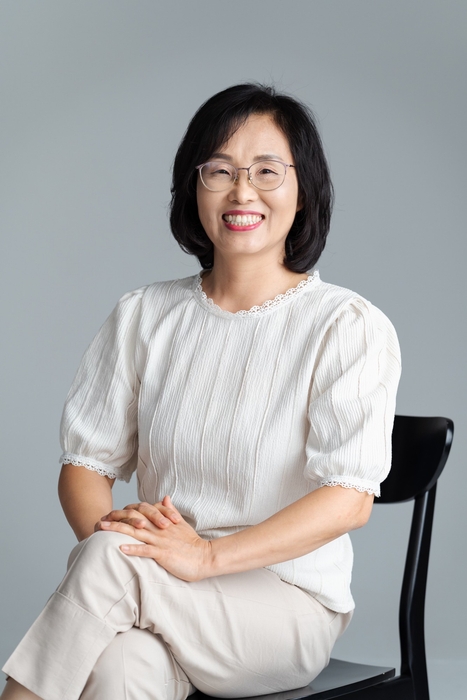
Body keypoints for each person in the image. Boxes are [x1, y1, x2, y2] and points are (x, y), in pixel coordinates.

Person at [1, 84, 401, 700]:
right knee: (121, 664)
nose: (242, 191)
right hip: (159, 582)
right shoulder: (144, 315)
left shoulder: (344, 325)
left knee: (112, 559)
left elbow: (349, 501)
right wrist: (131, 546)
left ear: (304, 190)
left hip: (284, 605)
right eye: (219, 170)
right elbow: (84, 465)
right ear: (193, 187)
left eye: (266, 170)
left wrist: (201, 559)